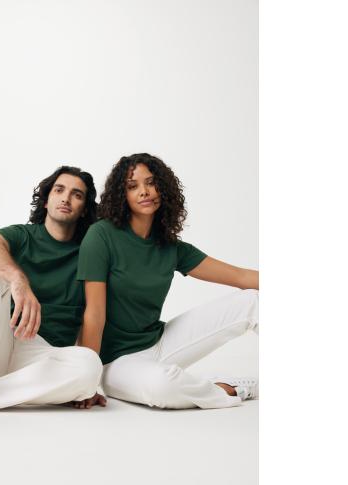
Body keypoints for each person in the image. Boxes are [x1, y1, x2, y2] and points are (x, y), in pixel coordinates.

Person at [76, 153, 259, 410]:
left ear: (163, 188)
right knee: (162, 387)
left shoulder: (169, 246)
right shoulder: (101, 236)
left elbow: (240, 276)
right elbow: (94, 315)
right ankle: (228, 388)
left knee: (253, 301)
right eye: (133, 186)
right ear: (122, 195)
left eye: (151, 183)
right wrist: (88, 382)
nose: (144, 191)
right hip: (115, 363)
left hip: (160, 343)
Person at [0, 166, 105, 427]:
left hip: (44, 359)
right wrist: (18, 279)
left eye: (77, 194)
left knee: (90, 366)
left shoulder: (89, 252)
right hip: (4, 341)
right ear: (46, 200)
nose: (66, 198)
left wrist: (90, 386)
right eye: (59, 190)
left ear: (84, 208)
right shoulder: (25, 236)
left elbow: (93, 316)